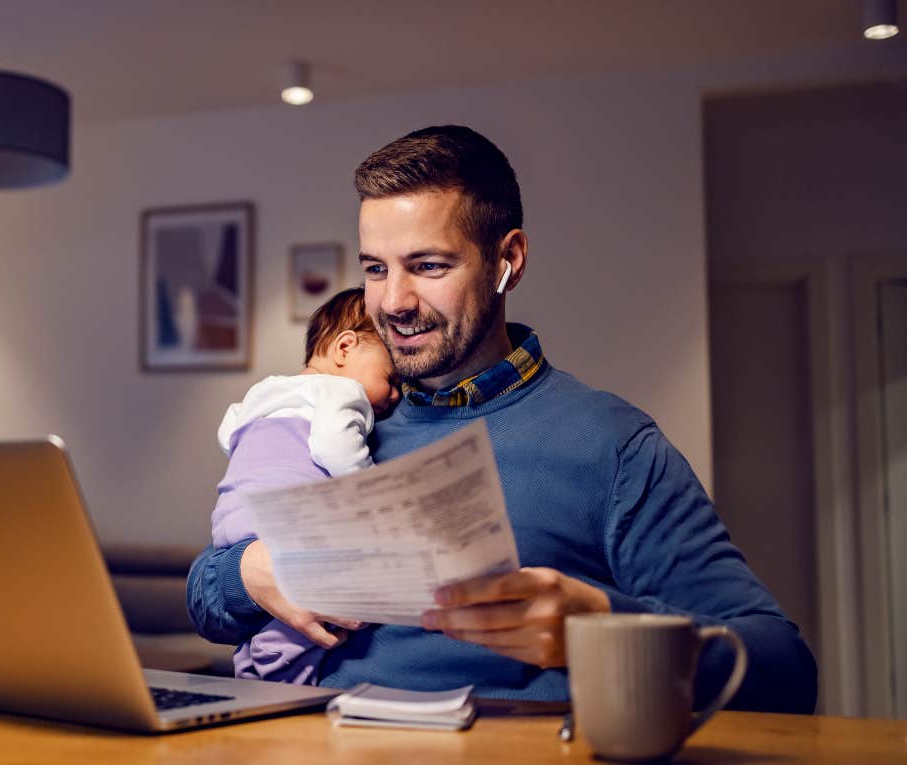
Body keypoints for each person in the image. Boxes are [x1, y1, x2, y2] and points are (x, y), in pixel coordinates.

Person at [186, 125, 818, 713]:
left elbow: (784, 670)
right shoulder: (345, 417)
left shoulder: (611, 445)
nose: (393, 302)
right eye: (376, 269)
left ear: (507, 259)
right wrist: (244, 574)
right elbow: (208, 604)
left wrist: (595, 627)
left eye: (428, 266)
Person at [213, 287, 399, 684]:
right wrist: (371, 488)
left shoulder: (263, 390)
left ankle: (250, 660)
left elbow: (229, 431)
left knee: (273, 601)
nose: (396, 395)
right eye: (391, 378)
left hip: (233, 518)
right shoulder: (343, 392)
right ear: (345, 348)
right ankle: (280, 651)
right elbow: (334, 447)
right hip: (290, 517)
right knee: (363, 587)